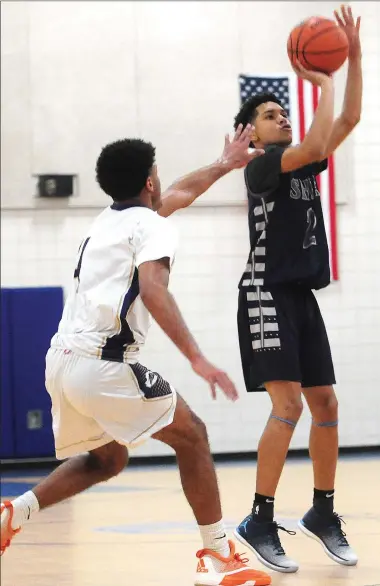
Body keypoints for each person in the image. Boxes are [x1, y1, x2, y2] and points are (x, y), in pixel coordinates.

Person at [0, 126, 272, 586]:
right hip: (103, 365)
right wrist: (198, 358)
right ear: (149, 182)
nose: (164, 182)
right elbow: (153, 290)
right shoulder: (152, 226)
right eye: (158, 174)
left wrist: (224, 164)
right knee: (193, 436)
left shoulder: (109, 221)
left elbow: (182, 191)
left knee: (108, 460)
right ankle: (218, 555)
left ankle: (15, 512)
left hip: (61, 362)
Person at [231, 6, 363, 574]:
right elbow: (312, 143)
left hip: (299, 295)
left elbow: (348, 122)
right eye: (269, 113)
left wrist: (352, 59)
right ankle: (260, 517)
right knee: (287, 405)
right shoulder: (262, 165)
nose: (281, 117)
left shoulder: (301, 165)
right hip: (265, 291)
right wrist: (323, 82)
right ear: (249, 133)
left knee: (326, 404)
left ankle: (322, 512)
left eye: (283, 111)